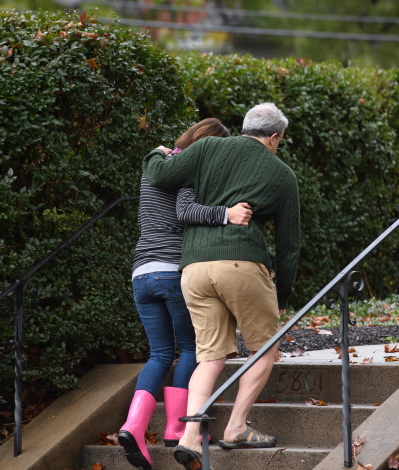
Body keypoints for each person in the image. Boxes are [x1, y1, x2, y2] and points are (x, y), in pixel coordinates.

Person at [142, 103, 301, 470]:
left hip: (193, 269)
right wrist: (283, 296)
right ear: (274, 138)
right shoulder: (282, 175)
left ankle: (189, 435)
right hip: (241, 263)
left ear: (245, 126)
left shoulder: (205, 148)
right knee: (265, 348)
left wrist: (154, 153)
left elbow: (160, 173)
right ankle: (236, 428)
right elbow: (289, 246)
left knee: (210, 355)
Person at [118, 118, 253, 470]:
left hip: (141, 273)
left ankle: (133, 426)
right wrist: (227, 213)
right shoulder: (187, 171)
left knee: (159, 355)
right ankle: (178, 428)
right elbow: (185, 211)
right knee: (192, 349)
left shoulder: (157, 165)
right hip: (171, 270)